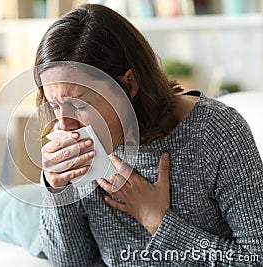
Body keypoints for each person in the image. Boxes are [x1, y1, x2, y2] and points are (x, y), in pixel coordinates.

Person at [34, 4, 263, 266]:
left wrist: (158, 222)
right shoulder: (77, 145)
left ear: (129, 84)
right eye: (54, 105)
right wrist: (56, 188)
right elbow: (69, 262)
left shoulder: (216, 131)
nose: (65, 125)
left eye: (80, 104)